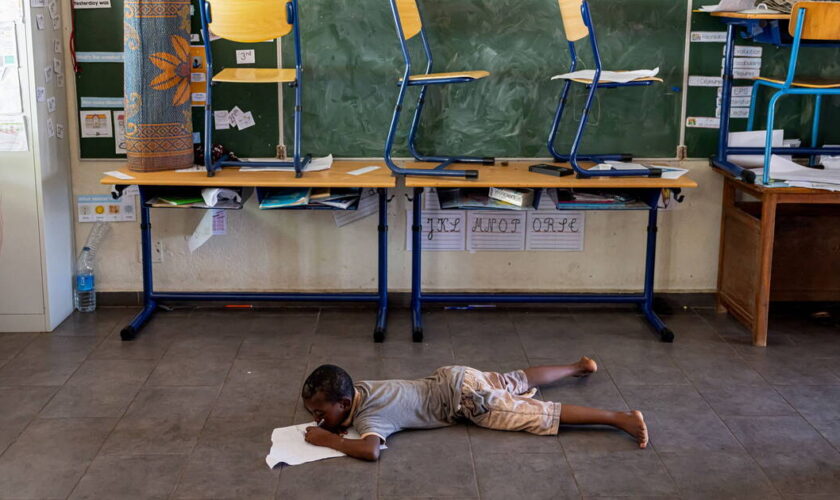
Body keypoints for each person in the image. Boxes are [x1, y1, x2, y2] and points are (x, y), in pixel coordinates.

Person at [300, 358, 648, 461]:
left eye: (320, 414)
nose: (316, 420)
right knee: (515, 379)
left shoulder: (369, 416)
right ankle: (578, 366)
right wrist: (331, 421)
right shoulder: (360, 387)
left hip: (467, 402)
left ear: (345, 405)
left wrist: (327, 438)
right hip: (456, 376)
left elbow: (370, 450)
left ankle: (620, 419)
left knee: (537, 414)